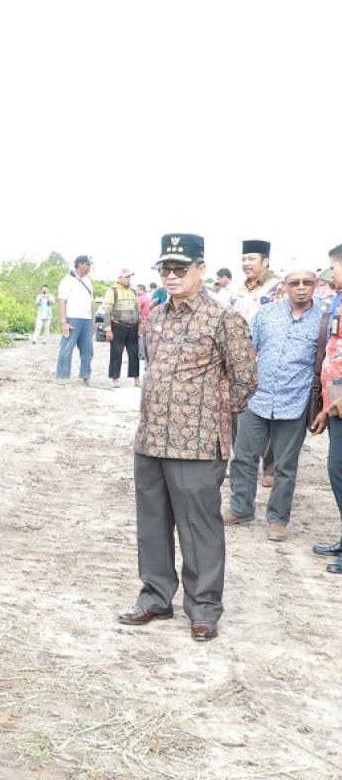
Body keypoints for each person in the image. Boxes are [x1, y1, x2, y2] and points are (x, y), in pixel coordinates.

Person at [118, 233, 256, 643]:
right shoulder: (155, 317)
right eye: (166, 268)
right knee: (152, 524)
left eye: (181, 268)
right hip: (151, 441)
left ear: (201, 270)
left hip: (196, 445)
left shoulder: (223, 319)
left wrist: (208, 414)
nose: (172, 275)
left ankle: (204, 608)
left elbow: (245, 380)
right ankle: (156, 596)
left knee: (200, 528)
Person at [223, 262, 323, 541]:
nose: (301, 288)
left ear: (315, 285)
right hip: (257, 399)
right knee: (243, 457)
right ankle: (240, 508)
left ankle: (278, 520)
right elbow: (246, 351)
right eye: (295, 283)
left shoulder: (324, 321)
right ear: (284, 286)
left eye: (307, 282)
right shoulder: (265, 315)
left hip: (295, 401)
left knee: (285, 466)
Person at [231, 240, 281, 486]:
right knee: (237, 410)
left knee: (267, 414)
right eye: (243, 259)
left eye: (251, 259)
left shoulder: (277, 288)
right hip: (238, 359)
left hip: (266, 361)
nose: (246, 264)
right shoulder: (238, 289)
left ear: (265, 261)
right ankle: (239, 460)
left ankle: (269, 467)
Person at [310, 245, 342, 573]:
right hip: (336, 405)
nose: (331, 274)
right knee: (337, 472)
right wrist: (327, 407)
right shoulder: (338, 300)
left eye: (333, 267)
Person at [55, 255, 95, 385]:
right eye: (87, 264)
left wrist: (93, 322)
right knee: (66, 349)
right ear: (80, 265)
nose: (89, 267)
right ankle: (62, 375)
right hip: (72, 319)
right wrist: (63, 322)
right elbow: (62, 303)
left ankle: (85, 376)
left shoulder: (88, 282)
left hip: (87, 320)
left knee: (87, 351)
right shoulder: (67, 280)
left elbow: (91, 303)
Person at [103, 268, 142, 388]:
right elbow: (107, 312)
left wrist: (140, 324)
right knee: (116, 353)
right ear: (119, 278)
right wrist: (108, 330)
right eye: (126, 277)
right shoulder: (112, 292)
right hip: (118, 326)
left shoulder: (133, 292)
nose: (128, 279)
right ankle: (115, 379)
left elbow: (137, 309)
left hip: (133, 327)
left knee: (134, 353)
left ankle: (136, 379)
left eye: (130, 277)